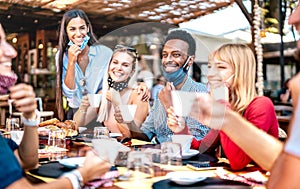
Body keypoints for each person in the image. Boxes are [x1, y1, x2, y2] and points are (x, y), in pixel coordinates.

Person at [0, 23, 111, 188]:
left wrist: (30, 118)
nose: (12, 51)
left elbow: (26, 161)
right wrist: (82, 175)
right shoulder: (66, 59)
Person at [169, 43, 279, 170]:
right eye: (210, 67)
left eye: (221, 67)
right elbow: (203, 148)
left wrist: (222, 109)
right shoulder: (227, 106)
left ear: (241, 72)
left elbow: (238, 162)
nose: (210, 74)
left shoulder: (261, 105)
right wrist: (181, 129)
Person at [127, 29, 209, 144]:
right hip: (160, 159)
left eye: (176, 55)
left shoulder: (201, 94)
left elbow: (197, 145)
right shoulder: (161, 94)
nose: (168, 60)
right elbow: (145, 136)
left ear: (190, 60)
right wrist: (128, 122)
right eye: (165, 55)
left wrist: (169, 105)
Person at [74, 45, 149, 138]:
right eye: (115, 62)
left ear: (132, 71)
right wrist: (83, 107)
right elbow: (76, 126)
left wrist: (118, 104)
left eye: (125, 65)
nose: (118, 68)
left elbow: (132, 136)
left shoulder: (139, 95)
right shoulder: (104, 94)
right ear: (109, 66)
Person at [55, 9, 113, 121]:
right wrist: (71, 61)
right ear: (66, 32)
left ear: (88, 28)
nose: (78, 33)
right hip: (76, 113)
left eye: (82, 28)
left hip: (100, 112)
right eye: (72, 29)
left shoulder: (105, 53)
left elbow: (116, 81)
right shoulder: (62, 56)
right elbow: (68, 92)